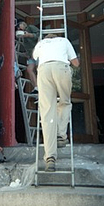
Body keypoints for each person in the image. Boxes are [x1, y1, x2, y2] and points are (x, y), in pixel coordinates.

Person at [32, 34, 80, 172]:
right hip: (60, 68)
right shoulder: (64, 40)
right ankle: (61, 134)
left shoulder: (41, 43)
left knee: (47, 113)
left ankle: (50, 158)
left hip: (44, 70)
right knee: (65, 102)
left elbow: (35, 57)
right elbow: (76, 63)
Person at [16, 20, 39, 94]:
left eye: (19, 26)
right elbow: (28, 47)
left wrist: (29, 35)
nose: (19, 28)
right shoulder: (23, 36)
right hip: (31, 55)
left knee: (40, 69)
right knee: (29, 69)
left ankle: (44, 87)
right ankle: (36, 87)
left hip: (38, 52)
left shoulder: (30, 27)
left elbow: (39, 35)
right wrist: (26, 54)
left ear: (23, 24)